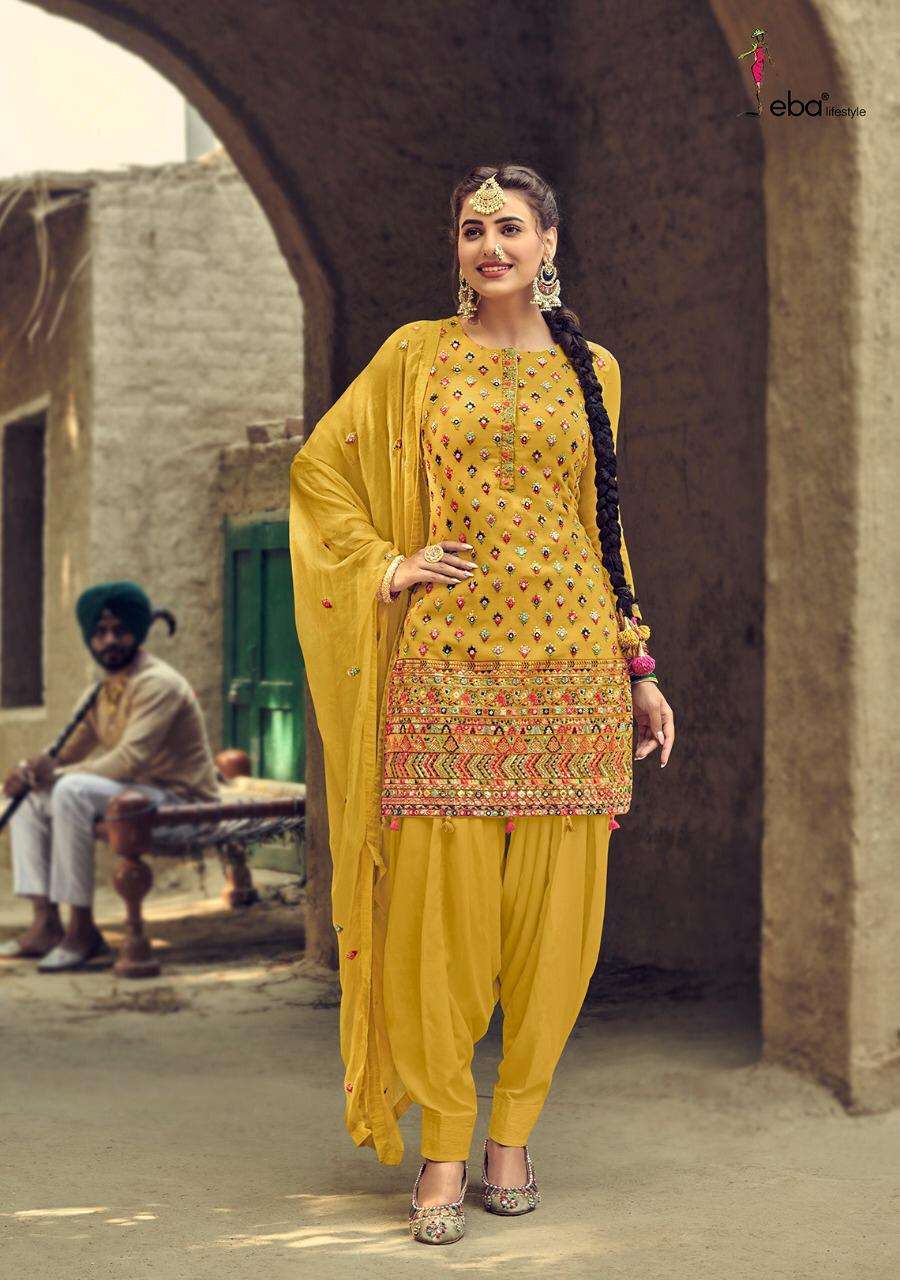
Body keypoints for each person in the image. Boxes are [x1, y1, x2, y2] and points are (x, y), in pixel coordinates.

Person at [289, 164, 676, 1245]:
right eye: (472, 229)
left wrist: (639, 669)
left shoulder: (595, 370)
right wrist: (388, 563)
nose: (490, 246)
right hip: (447, 666)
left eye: (510, 227)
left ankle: (514, 1133)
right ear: (456, 248)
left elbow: (604, 526)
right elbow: (320, 471)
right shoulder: (415, 356)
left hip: (572, 669)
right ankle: (446, 1145)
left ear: (548, 242)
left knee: (556, 925)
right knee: (439, 924)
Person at [0, 581, 220, 973]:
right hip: (134, 796)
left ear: (138, 632)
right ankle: (45, 924)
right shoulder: (99, 692)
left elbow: (128, 760)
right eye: (100, 632)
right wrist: (27, 771)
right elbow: (63, 752)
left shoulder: (158, 683)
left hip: (181, 802)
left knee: (69, 789)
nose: (110, 641)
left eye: (121, 630)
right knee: (30, 795)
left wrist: (53, 774)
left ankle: (81, 931)